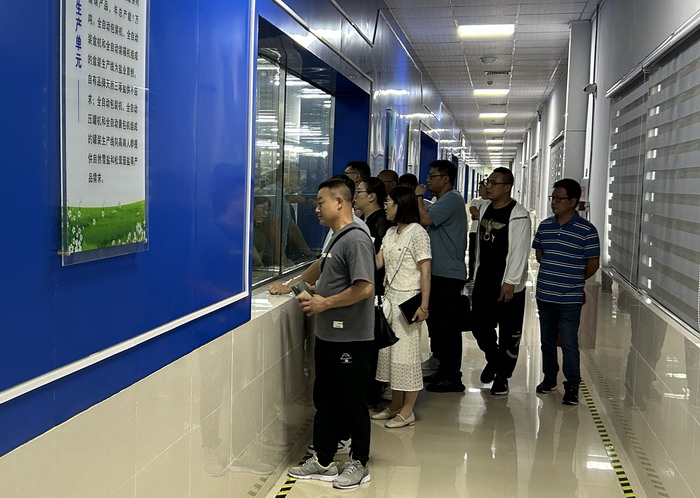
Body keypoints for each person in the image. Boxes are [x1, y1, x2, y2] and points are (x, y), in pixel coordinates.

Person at [287, 177, 375, 490]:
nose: (316, 208)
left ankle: (359, 462)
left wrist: (325, 302)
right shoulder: (336, 239)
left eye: (320, 202)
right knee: (326, 399)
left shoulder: (356, 239)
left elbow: (364, 287)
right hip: (329, 337)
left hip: (351, 338)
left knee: (352, 402)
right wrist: (313, 289)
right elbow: (336, 278)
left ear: (339, 202)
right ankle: (323, 460)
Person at [533, 178, 600, 405]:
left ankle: (572, 385)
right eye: (553, 198)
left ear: (573, 201)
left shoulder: (587, 230)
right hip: (545, 294)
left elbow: (593, 264)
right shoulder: (545, 226)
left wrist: (573, 279)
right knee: (547, 340)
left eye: (559, 199)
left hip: (570, 297)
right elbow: (540, 255)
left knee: (569, 342)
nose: (554, 202)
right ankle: (549, 378)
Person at [373, 186, 431, 427]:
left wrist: (424, 306)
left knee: (406, 358)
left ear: (401, 205)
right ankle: (395, 404)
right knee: (390, 356)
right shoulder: (390, 233)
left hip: (409, 302)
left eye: (389, 202)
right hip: (390, 300)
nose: (385, 206)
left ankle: (408, 411)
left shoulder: (418, 233)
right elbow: (378, 262)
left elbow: (425, 271)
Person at [472, 167, 531, 396]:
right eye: (487, 182)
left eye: (493, 183)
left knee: (509, 333)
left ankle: (502, 377)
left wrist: (511, 281)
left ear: (507, 187)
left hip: (507, 284)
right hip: (484, 279)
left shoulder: (518, 214)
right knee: (479, 326)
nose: (488, 186)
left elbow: (520, 251)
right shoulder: (485, 207)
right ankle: (494, 360)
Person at [416, 160, 468, 393]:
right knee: (436, 326)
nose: (428, 180)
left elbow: (426, 219)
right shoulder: (441, 201)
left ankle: (453, 376)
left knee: (448, 327)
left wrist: (418, 196)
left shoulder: (452, 199)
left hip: (448, 274)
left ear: (445, 179)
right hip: (437, 273)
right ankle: (442, 369)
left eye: (432, 176)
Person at [467, 181, 488, 283]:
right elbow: (473, 212)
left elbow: (478, 216)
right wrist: (480, 216)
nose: (479, 190)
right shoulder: (475, 201)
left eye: (481, 188)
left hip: (485, 232)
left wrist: (478, 216)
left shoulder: (490, 202)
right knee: (473, 254)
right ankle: (471, 276)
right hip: (474, 231)